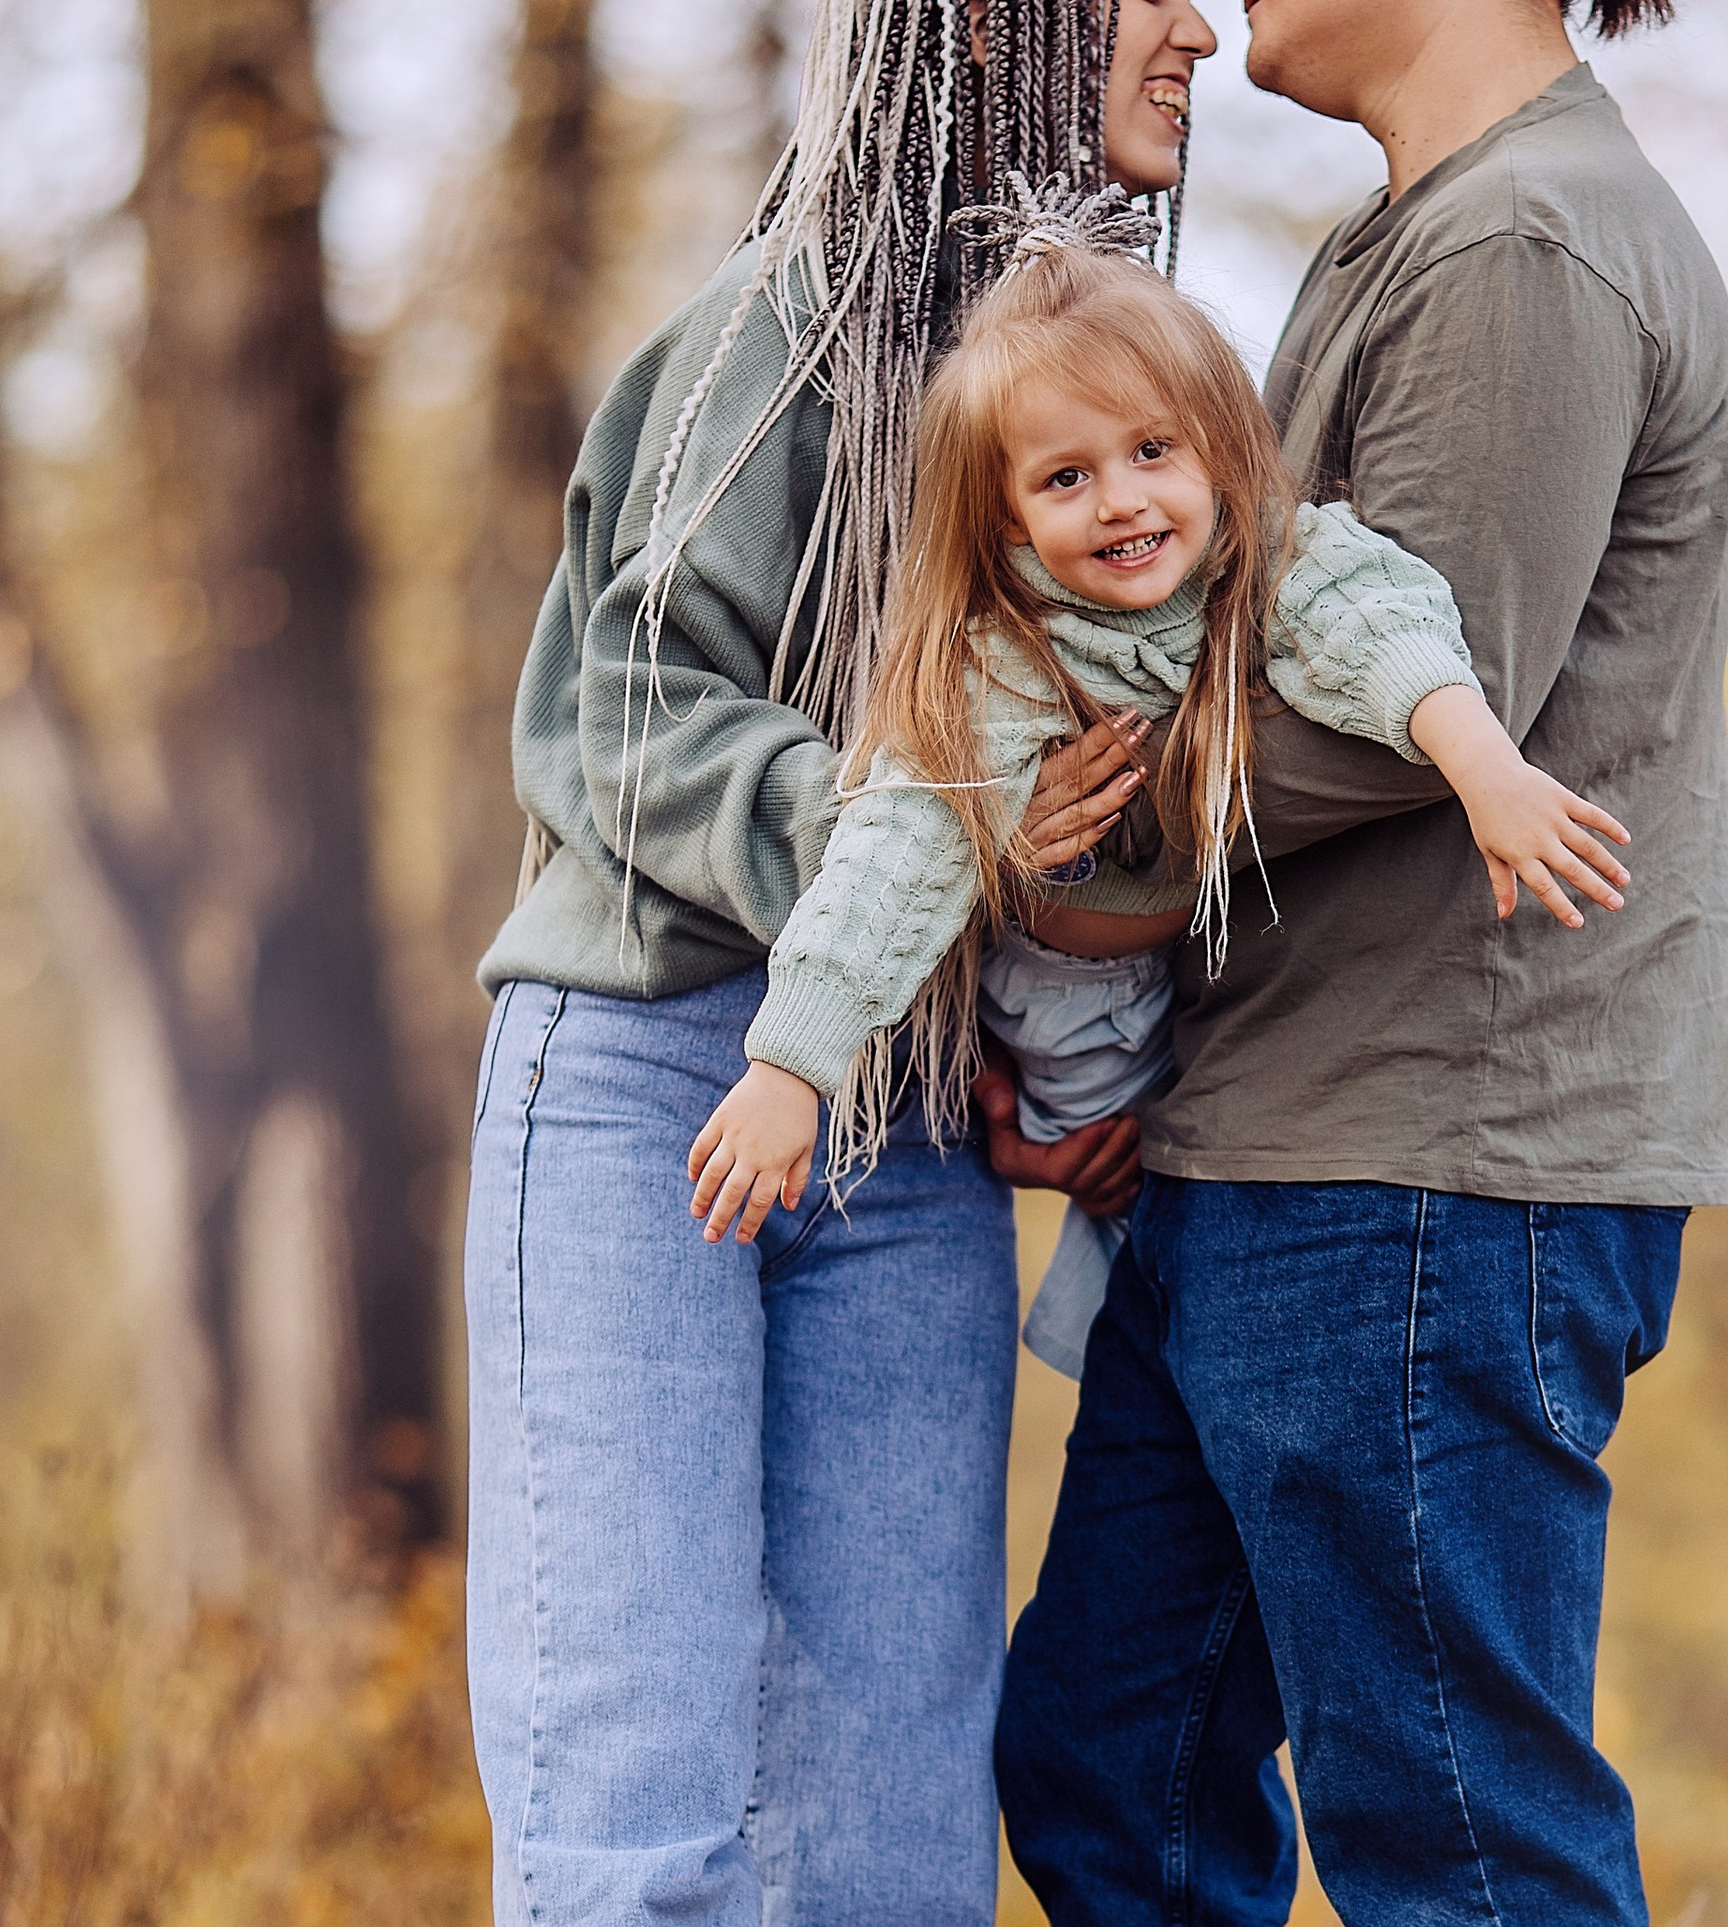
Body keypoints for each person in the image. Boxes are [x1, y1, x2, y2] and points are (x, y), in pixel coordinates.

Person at [876, 0, 1728, 1927]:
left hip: (1445, 1163)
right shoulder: (1419, 238)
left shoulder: (1524, 254)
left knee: (1447, 1793)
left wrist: (1042, 815)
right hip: (1272, 1159)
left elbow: (1394, 705)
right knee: (1110, 1741)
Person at [464, 0, 1209, 1927]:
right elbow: (601, 720)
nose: (1198, 27)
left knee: (890, 1786)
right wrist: (885, 861)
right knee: (632, 1742)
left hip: (909, 1143)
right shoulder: (774, 346)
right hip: (650, 1072)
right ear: (1009, 24)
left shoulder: (1100, 399)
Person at [684, 231, 1633, 1404]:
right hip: (1062, 1002)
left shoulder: (1257, 559)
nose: (1121, 500)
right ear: (1007, 520)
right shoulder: (1006, 658)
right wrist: (790, 1068)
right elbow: (899, 848)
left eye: (1150, 450)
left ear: (1216, 449)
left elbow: (1371, 620)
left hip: (1197, 978)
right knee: (1121, 1187)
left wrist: (1486, 771)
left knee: (1179, 1172)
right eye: (1065, 477)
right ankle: (1121, 1354)